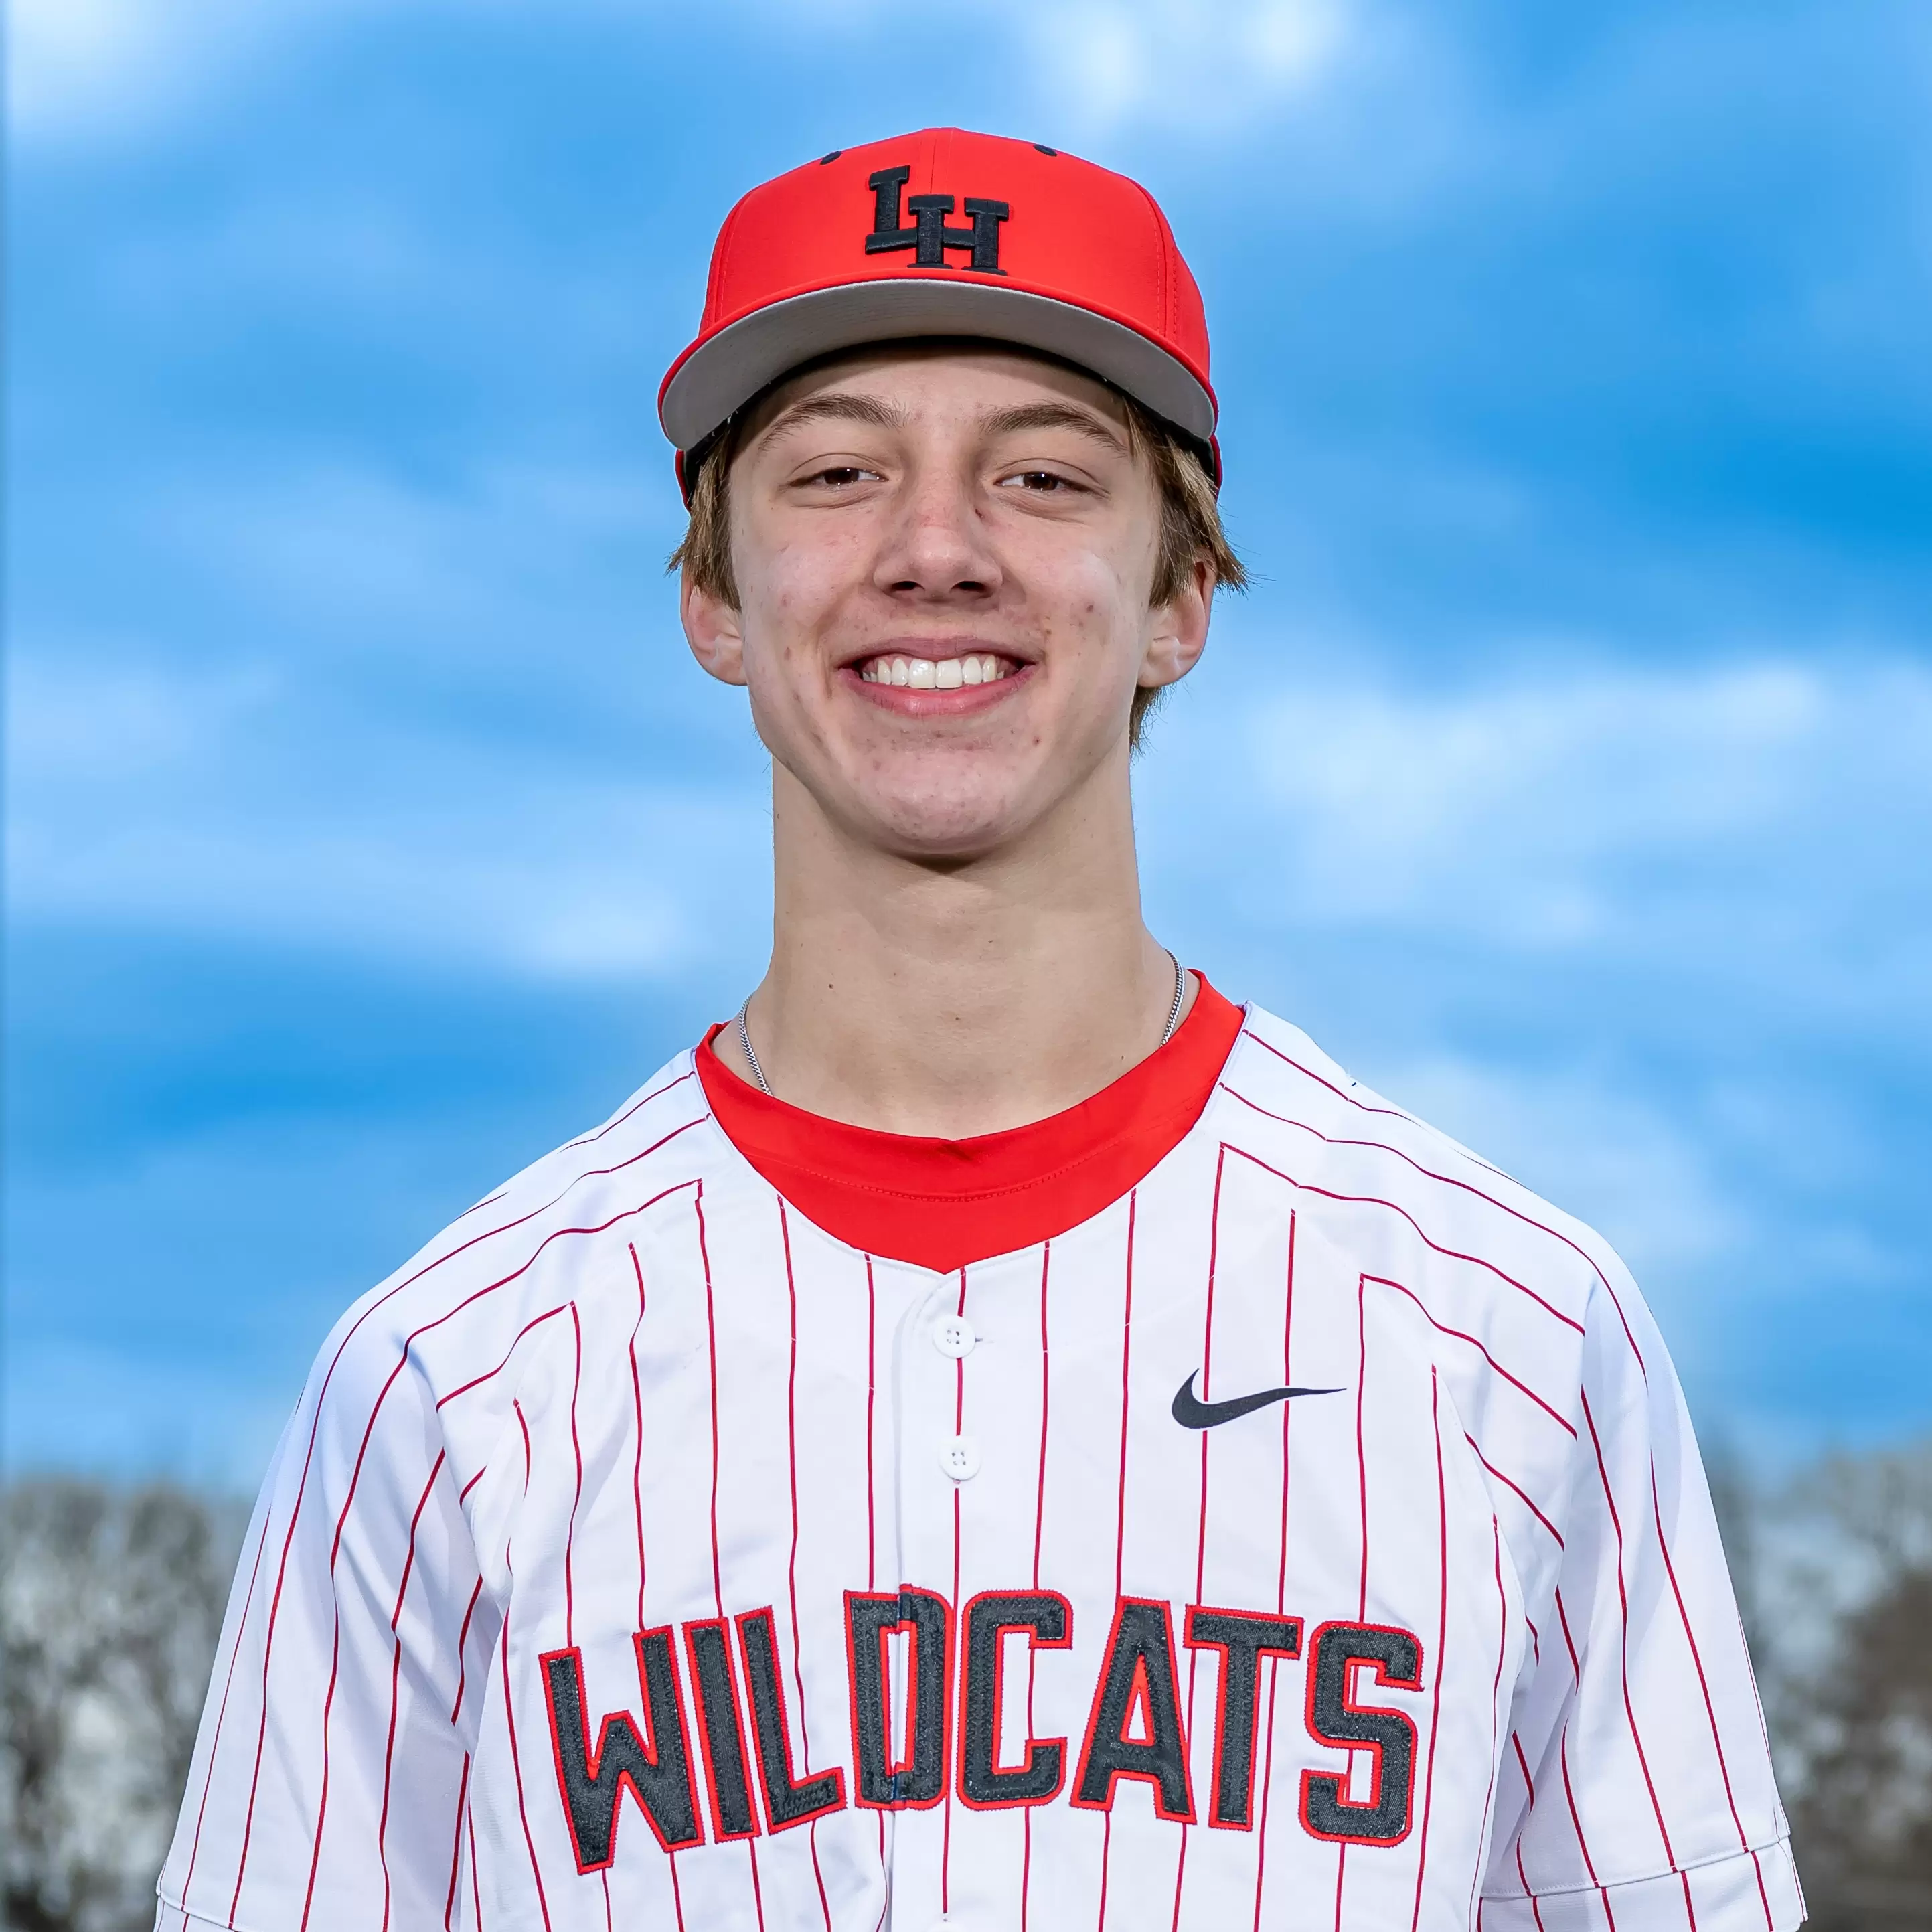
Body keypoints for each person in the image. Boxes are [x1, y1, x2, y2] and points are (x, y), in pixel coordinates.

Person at [156, 127, 1802, 1931]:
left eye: (1040, 474)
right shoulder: (447, 1376)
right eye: (837, 471)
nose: (935, 549)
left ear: (1178, 598)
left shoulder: (1510, 1333)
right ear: (713, 598)